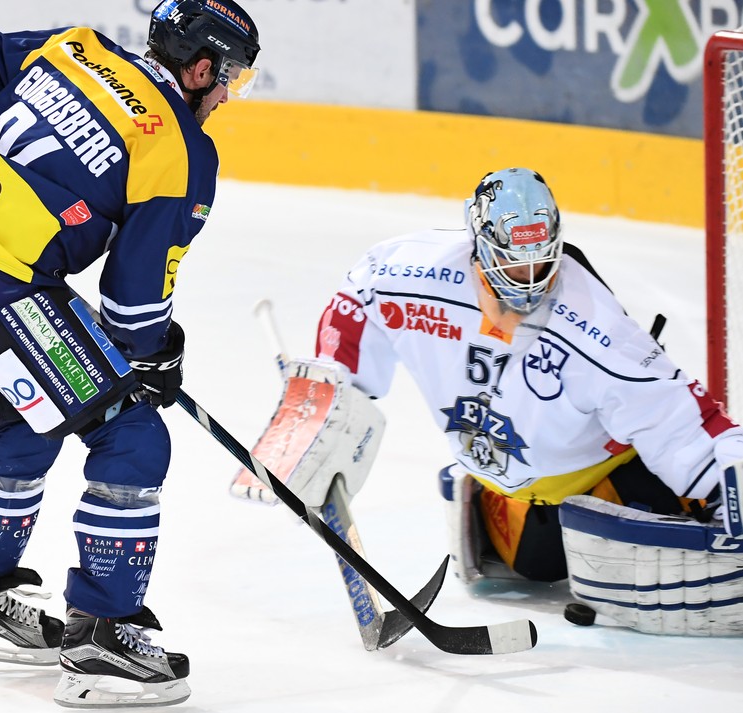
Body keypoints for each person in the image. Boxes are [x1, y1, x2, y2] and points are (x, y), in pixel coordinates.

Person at [0, 0, 260, 706]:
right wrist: (153, 354)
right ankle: (105, 637)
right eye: (229, 80)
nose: (225, 96)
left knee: (25, 418)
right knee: (129, 430)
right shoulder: (179, 148)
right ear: (201, 65)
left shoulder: (76, 48)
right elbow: (133, 304)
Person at [239, 167, 743, 637]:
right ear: (477, 246)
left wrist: (731, 485)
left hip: (598, 495)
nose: (528, 282)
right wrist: (330, 393)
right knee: (544, 567)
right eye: (512, 264)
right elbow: (360, 291)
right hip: (521, 537)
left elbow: (680, 419)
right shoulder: (414, 272)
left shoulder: (599, 328)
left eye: (542, 263)